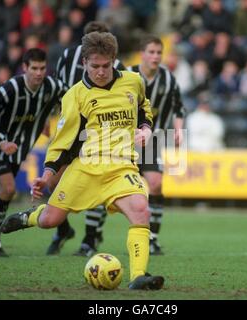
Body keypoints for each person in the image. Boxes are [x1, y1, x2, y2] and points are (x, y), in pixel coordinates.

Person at [1, 31, 164, 290]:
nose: (101, 71)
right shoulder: (75, 96)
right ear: (84, 63)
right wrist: (48, 174)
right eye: (95, 66)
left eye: (106, 66)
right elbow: (63, 142)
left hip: (121, 166)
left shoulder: (133, 81)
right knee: (50, 221)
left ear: (114, 60)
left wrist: (145, 128)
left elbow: (143, 107)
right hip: (86, 168)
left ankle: (138, 276)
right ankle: (30, 218)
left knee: (141, 210)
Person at [75, 34, 185, 257]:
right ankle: (90, 237)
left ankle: (152, 238)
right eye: (151, 52)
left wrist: (179, 129)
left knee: (155, 184)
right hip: (121, 140)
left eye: (158, 53)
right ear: (142, 54)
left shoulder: (169, 79)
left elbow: (178, 107)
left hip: (152, 139)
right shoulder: (127, 74)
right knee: (103, 186)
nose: (155, 57)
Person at [0, 48, 68, 257]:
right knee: (8, 190)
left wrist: (48, 117)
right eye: (34, 68)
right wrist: (0, 141)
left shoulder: (52, 86)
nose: (38, 73)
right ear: (24, 68)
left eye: (42, 68)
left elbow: (71, 99)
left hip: (19, 148)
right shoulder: (11, 89)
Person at [46, 21, 126, 256]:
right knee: (53, 179)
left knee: (99, 185)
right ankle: (62, 229)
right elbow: (58, 88)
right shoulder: (67, 56)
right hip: (71, 126)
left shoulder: (117, 67)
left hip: (98, 132)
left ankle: (90, 238)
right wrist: (50, 118)